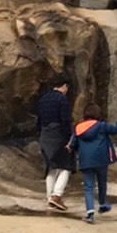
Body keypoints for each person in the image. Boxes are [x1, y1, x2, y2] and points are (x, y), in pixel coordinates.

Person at [69, 104, 117, 222]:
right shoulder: (102, 126)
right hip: (101, 159)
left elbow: (73, 144)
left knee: (89, 187)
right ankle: (102, 204)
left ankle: (90, 214)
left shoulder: (78, 127)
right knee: (102, 183)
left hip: (86, 161)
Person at [35, 77, 74, 210]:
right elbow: (65, 121)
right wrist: (69, 139)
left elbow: (39, 120)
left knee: (51, 167)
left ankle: (49, 197)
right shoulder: (62, 100)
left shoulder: (43, 99)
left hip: (44, 135)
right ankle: (57, 196)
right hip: (58, 135)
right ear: (64, 85)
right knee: (66, 166)